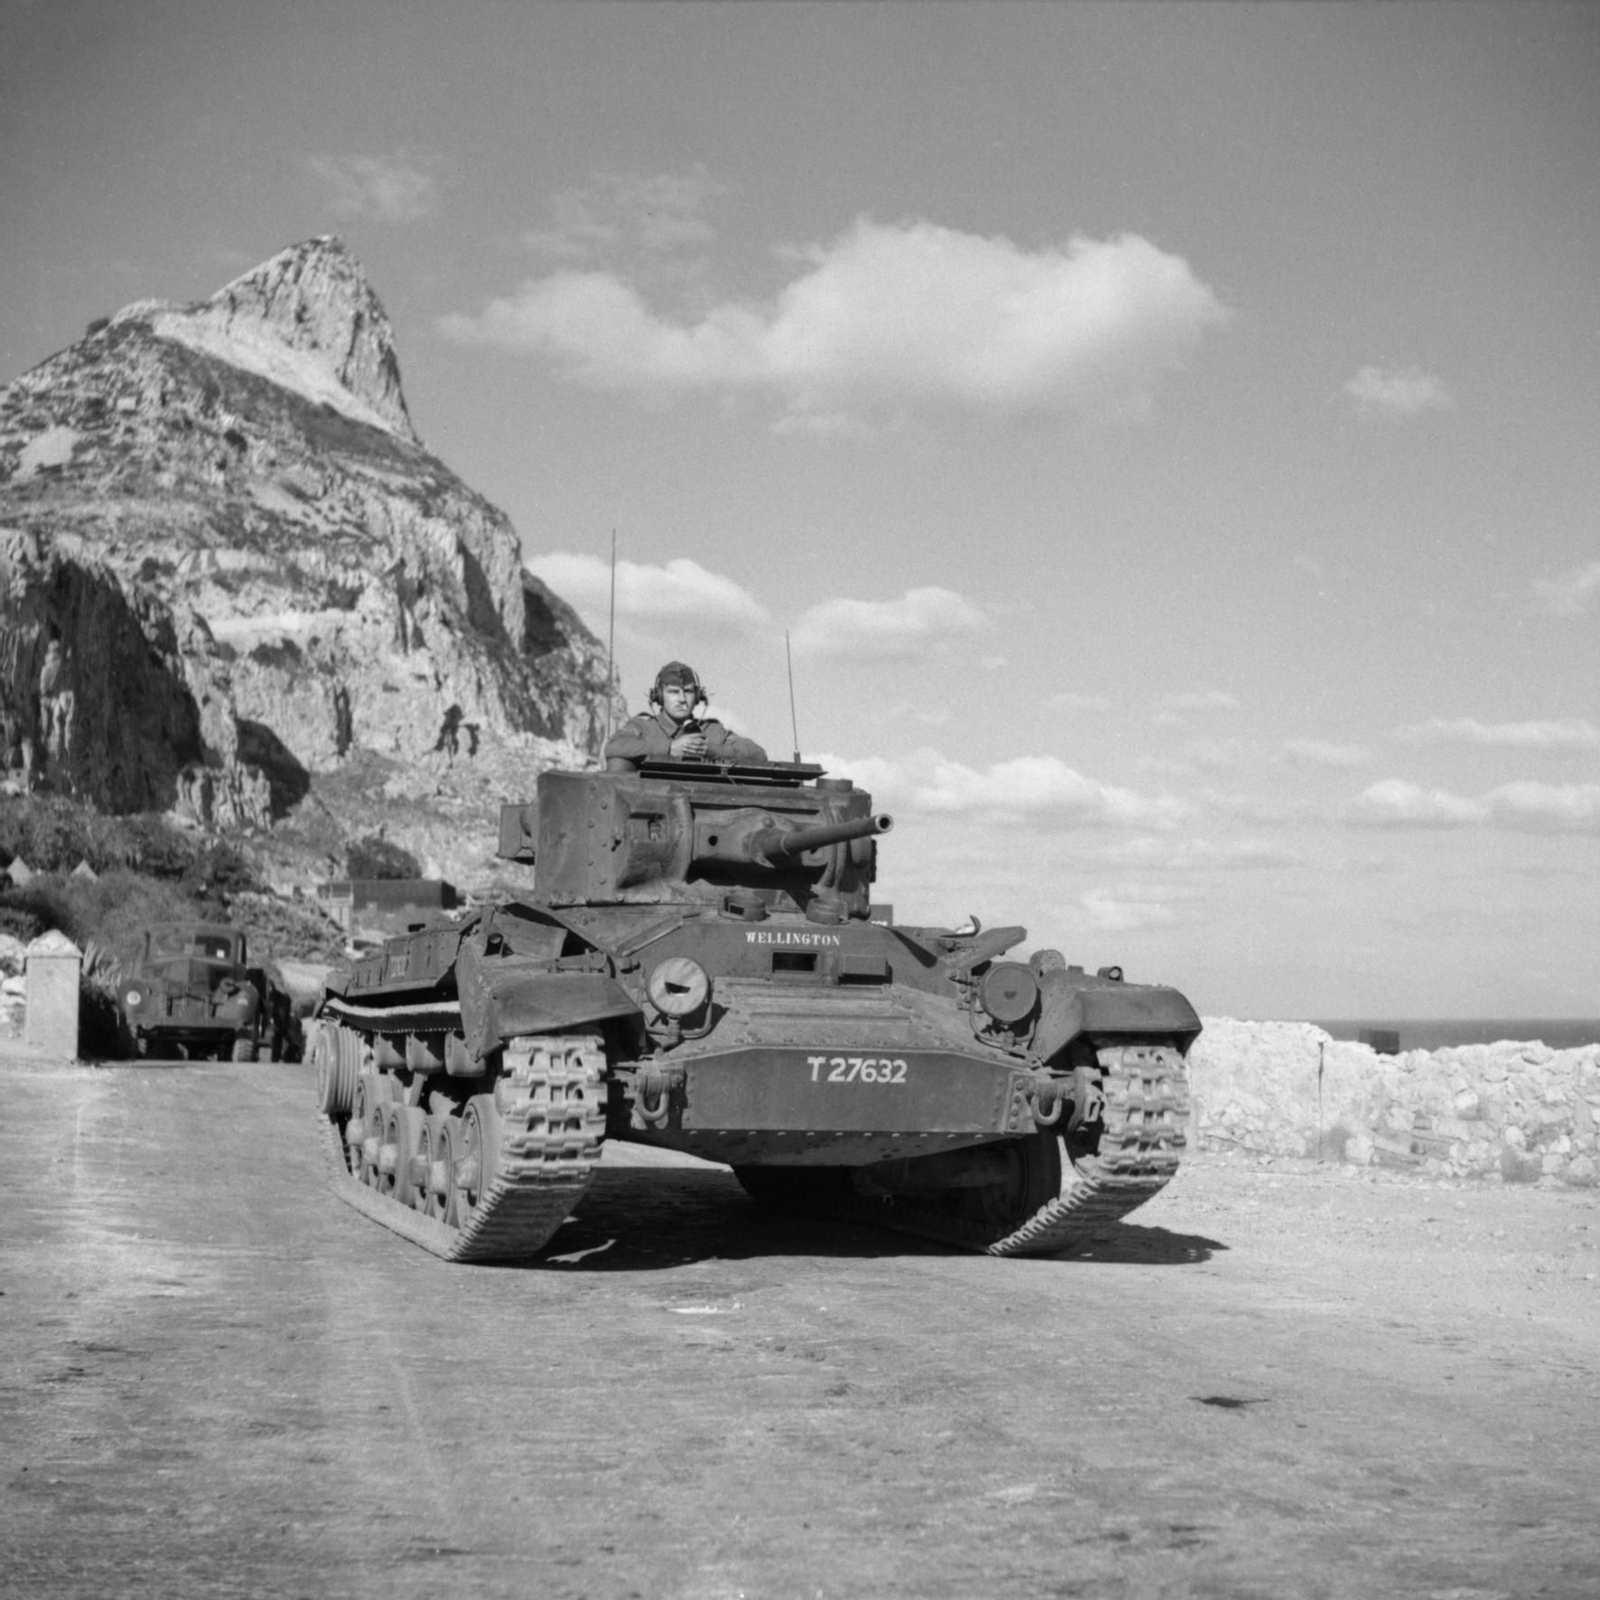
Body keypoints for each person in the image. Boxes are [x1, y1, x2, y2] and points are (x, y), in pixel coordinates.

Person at [604, 661, 768, 770]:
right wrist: (669, 749)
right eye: (673, 692)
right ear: (659, 697)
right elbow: (614, 746)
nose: (682, 699)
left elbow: (758, 754)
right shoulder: (643, 727)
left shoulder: (711, 731)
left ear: (697, 697)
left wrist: (709, 749)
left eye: (688, 692)